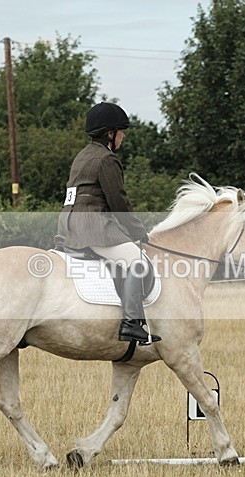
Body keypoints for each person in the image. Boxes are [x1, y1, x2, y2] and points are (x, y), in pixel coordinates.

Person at [56, 102, 161, 345]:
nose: (124, 136)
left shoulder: (82, 156)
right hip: (91, 227)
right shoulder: (107, 159)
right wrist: (138, 232)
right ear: (110, 133)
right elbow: (118, 203)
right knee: (138, 262)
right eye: (122, 132)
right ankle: (132, 322)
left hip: (68, 226)